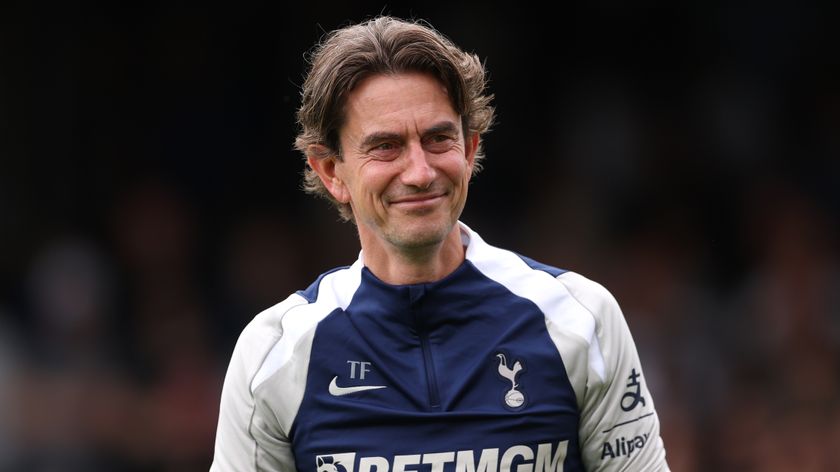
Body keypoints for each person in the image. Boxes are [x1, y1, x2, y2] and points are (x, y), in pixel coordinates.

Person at [211, 16, 669, 472]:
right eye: (386, 146)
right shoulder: (274, 353)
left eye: (438, 139)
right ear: (332, 172)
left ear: (470, 150)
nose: (420, 172)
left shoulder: (581, 319)